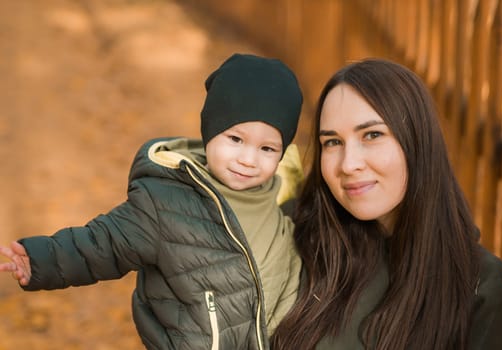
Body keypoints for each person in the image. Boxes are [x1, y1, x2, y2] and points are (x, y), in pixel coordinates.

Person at [0, 53, 304, 350]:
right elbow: (102, 244)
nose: (248, 159)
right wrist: (42, 259)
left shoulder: (282, 205)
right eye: (235, 139)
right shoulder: (166, 202)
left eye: (267, 148)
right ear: (210, 131)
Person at [270, 58, 502, 350]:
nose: (349, 164)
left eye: (372, 135)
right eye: (332, 142)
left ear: (416, 140)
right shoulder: (293, 236)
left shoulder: (479, 286)